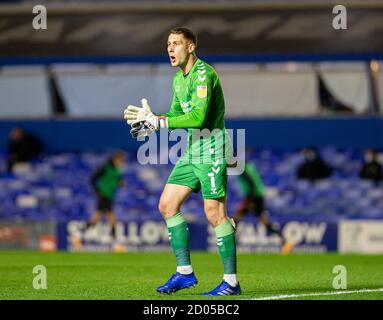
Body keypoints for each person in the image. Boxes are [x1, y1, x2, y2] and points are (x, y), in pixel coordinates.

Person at [124, 27, 240, 296]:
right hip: (192, 151)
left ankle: (231, 283)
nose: (170, 48)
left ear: (191, 47)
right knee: (167, 205)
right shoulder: (178, 80)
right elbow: (177, 114)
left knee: (215, 215)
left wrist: (161, 123)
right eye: (168, 44)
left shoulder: (204, 74)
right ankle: (185, 273)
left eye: (176, 43)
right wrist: (154, 120)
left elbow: (198, 118)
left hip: (212, 148)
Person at [234, 161, 293, 255]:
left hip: (253, 198)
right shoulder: (249, 166)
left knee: (236, 219)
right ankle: (286, 242)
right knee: (262, 221)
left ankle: (232, 246)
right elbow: (257, 180)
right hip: (257, 197)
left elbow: (251, 184)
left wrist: (250, 201)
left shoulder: (242, 170)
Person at [82, 151, 125, 241]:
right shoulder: (106, 167)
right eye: (120, 161)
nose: (121, 163)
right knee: (102, 215)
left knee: (105, 215)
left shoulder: (117, 170)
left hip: (110, 195)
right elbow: (93, 178)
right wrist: (97, 191)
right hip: (103, 195)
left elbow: (117, 180)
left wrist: (120, 183)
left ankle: (85, 230)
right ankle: (83, 231)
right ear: (115, 160)